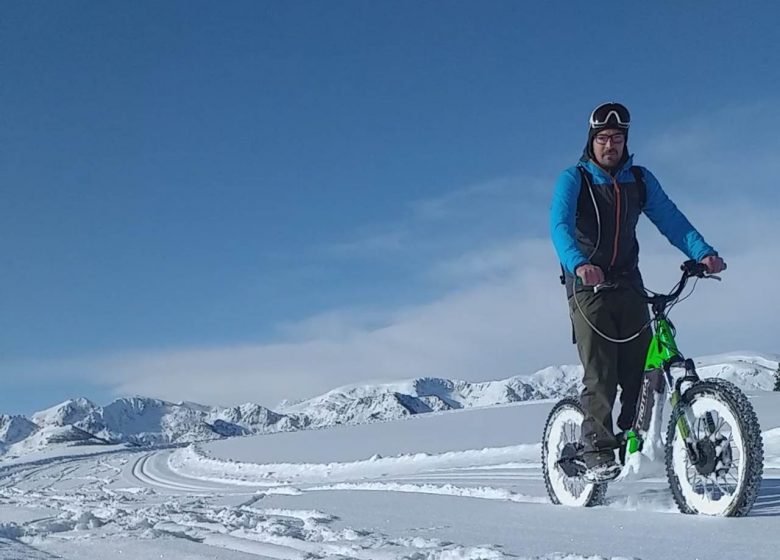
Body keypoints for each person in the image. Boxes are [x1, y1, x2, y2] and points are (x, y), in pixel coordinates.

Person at [549, 102, 726, 482]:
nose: (609, 145)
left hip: (628, 279)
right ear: (591, 142)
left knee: (640, 367)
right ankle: (596, 450)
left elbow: (671, 220)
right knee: (601, 370)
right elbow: (559, 226)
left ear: (626, 141)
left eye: (616, 138)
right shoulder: (574, 179)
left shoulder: (640, 180)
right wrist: (580, 264)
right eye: (602, 138)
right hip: (586, 284)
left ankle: (635, 442)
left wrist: (704, 253)